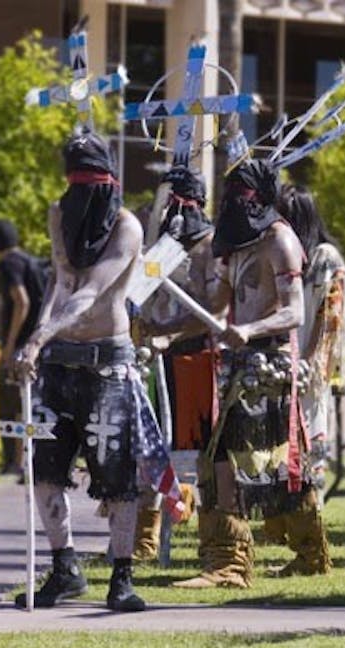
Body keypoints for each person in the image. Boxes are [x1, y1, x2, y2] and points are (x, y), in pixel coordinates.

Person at [13, 128, 184, 611]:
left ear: (107, 186)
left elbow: (90, 294)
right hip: (59, 363)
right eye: (74, 188)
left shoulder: (127, 227)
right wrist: (38, 339)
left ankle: (122, 577)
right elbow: (61, 284)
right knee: (45, 469)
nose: (78, 200)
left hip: (107, 364)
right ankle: (64, 567)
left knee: (117, 477)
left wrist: (39, 337)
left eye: (88, 188)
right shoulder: (59, 214)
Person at [173, 153, 307, 589]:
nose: (232, 203)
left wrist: (249, 329)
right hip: (235, 366)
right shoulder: (238, 245)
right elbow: (213, 310)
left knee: (255, 465)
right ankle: (231, 561)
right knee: (223, 462)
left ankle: (245, 563)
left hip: (268, 365)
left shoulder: (280, 241)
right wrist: (166, 332)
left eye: (240, 195)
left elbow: (295, 312)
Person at [133, 165, 221, 561]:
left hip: (200, 362)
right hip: (156, 363)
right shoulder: (163, 247)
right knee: (150, 449)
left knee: (204, 456)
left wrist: (171, 331)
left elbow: (215, 309)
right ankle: (144, 541)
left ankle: (216, 543)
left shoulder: (213, 246)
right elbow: (139, 297)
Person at [262, 183, 345, 576]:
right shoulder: (287, 255)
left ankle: (312, 551)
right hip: (283, 367)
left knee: (305, 452)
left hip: (308, 372)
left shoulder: (324, 257)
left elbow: (331, 316)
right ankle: (285, 534)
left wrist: (313, 362)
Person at [0, 219, 46, 476]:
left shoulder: (9, 264)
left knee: (10, 401)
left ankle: (15, 463)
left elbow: (21, 301)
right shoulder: (29, 262)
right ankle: (22, 463)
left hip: (20, 345)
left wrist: (11, 344)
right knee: (25, 403)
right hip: (35, 344)